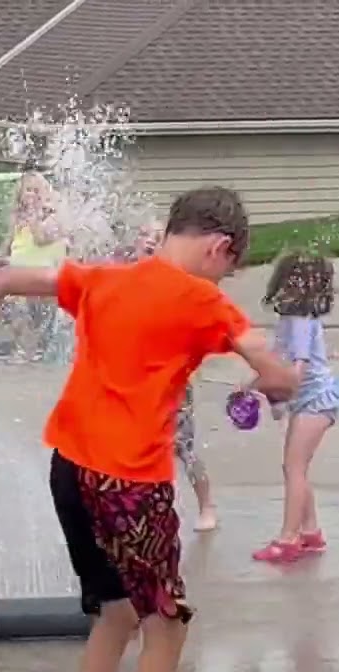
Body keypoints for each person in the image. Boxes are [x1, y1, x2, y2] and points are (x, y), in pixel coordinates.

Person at [0, 186, 299, 672]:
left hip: (69, 468)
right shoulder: (207, 302)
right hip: (130, 482)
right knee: (166, 625)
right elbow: (277, 374)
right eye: (228, 268)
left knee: (114, 615)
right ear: (218, 247)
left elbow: (1, 278)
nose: (223, 280)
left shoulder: (104, 278)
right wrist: (277, 381)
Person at [251, 252, 339, 562]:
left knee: (294, 467)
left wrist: (271, 389)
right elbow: (277, 360)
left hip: (316, 399)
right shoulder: (292, 319)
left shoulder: (300, 320)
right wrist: (255, 383)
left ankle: (288, 539)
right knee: (297, 467)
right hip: (317, 397)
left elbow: (297, 369)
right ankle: (310, 532)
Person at [132, 224, 218, 531]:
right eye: (146, 239)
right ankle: (148, 511)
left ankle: (206, 505)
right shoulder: (130, 281)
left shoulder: (177, 282)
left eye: (158, 239)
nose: (151, 244)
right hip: (139, 382)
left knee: (183, 447)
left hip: (174, 383)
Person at [0, 171, 66, 358]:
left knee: (44, 317)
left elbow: (41, 238)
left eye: (38, 191)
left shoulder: (52, 218)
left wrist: (36, 216)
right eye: (29, 191)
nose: (33, 195)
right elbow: (8, 246)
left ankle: (44, 348)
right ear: (20, 195)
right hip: (20, 275)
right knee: (16, 312)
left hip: (45, 275)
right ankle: (23, 348)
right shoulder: (17, 220)